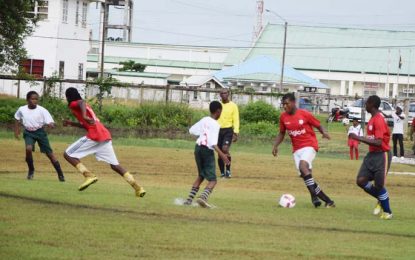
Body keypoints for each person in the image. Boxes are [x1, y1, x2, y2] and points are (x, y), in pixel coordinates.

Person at [62, 87, 145, 198]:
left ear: (68, 97)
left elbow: (81, 102)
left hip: (95, 135)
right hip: (104, 134)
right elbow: (86, 123)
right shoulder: (86, 107)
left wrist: (84, 116)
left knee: (67, 154)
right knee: (115, 166)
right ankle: (138, 188)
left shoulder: (73, 104)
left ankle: (88, 175)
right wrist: (71, 123)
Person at [272, 93, 335, 208]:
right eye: (283, 104)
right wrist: (275, 145)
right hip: (296, 150)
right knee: (306, 175)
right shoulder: (283, 117)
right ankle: (328, 201)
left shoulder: (304, 114)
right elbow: (282, 133)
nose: (285, 106)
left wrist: (324, 132)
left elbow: (318, 125)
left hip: (309, 145)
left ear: (293, 102)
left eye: (287, 104)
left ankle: (314, 197)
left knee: (303, 167)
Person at [349, 95, 392, 220]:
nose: (365, 106)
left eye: (366, 103)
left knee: (379, 186)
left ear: (372, 104)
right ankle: (381, 198)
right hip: (371, 155)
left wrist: (358, 137)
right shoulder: (373, 118)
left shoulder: (378, 119)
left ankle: (388, 212)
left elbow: (379, 142)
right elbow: (373, 139)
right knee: (361, 180)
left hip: (381, 154)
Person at [184, 101, 230, 208]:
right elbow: (213, 143)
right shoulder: (216, 124)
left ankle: (189, 200)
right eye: (221, 112)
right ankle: (202, 198)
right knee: (213, 180)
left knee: (201, 175)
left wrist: (202, 135)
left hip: (198, 148)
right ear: (218, 111)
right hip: (206, 151)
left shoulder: (204, 119)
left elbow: (191, 130)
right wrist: (223, 155)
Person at [14, 91, 65, 182]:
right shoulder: (22, 109)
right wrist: (16, 131)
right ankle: (31, 170)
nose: (35, 101)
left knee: (50, 154)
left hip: (40, 132)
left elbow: (50, 122)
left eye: (36, 99)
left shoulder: (42, 110)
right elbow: (17, 118)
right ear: (27, 100)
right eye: (32, 99)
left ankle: (60, 174)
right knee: (28, 149)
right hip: (28, 132)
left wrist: (51, 125)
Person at [217, 89, 240, 178]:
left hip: (228, 130)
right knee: (219, 152)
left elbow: (236, 119)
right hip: (218, 130)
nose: (224, 94)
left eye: (225, 93)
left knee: (225, 149)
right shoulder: (218, 105)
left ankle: (228, 171)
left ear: (228, 94)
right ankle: (222, 173)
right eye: (222, 93)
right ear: (220, 95)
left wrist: (236, 132)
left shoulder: (233, 106)